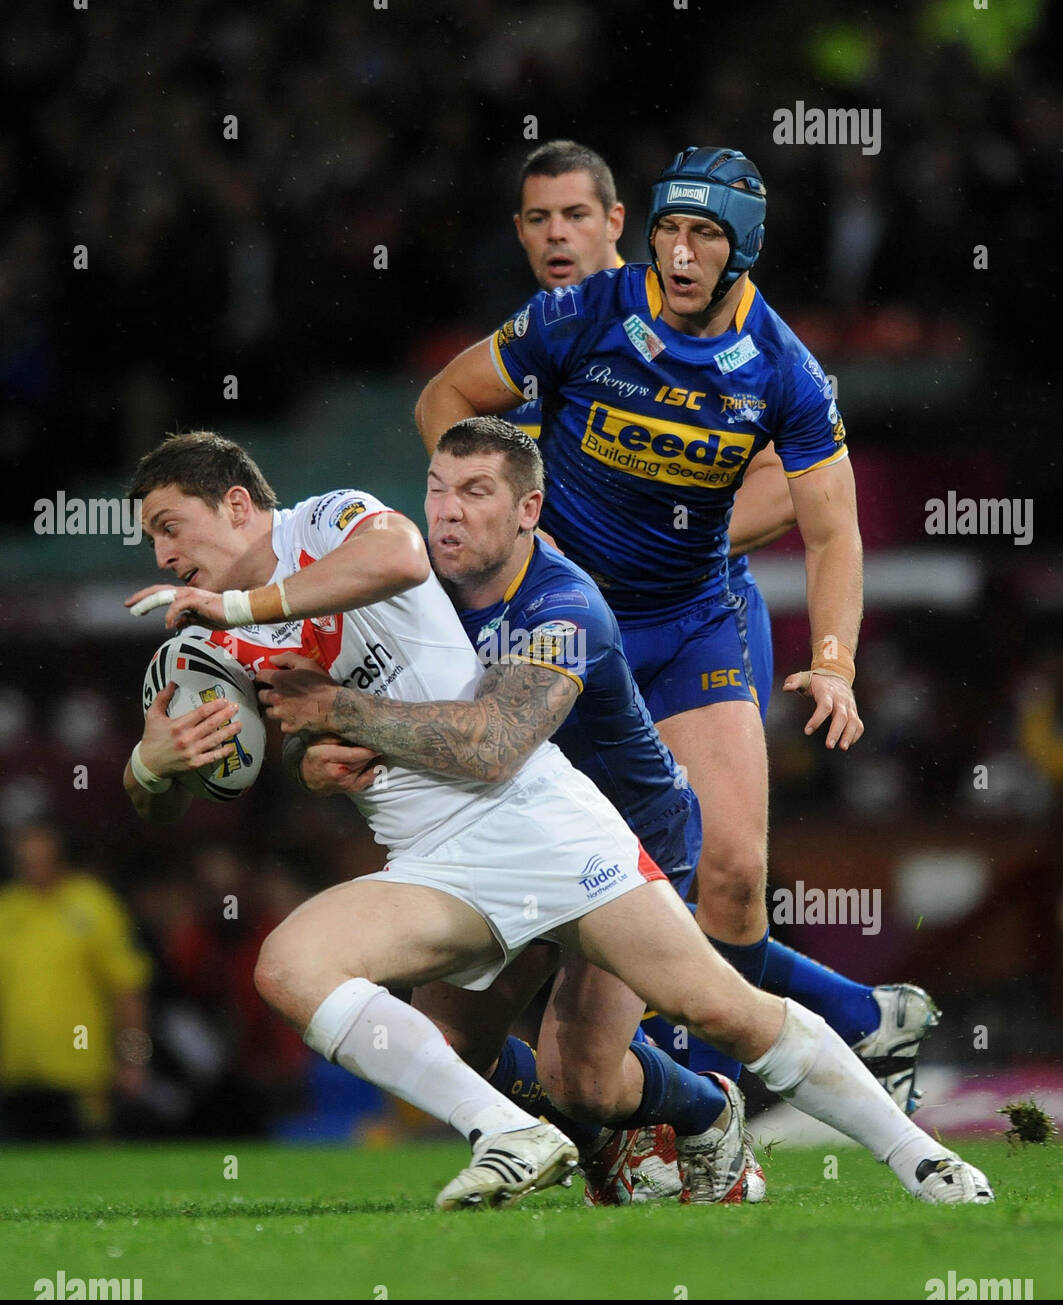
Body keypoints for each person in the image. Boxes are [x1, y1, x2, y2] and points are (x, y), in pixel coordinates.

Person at [121, 430, 993, 1209]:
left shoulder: (325, 525)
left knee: (714, 1013)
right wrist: (147, 768)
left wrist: (287, 662)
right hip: (429, 856)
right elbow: (199, 787)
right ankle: (510, 1135)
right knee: (292, 966)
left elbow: (398, 564)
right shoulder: (212, 650)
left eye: (168, 526)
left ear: (238, 504)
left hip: (545, 824)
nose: (162, 556)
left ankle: (919, 1160)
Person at [418, 140, 941, 1113]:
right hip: (565, 632)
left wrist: (833, 663)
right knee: (473, 1004)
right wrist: (474, 515)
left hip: (690, 622)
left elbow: (830, 526)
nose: (683, 253)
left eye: (704, 234)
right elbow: (444, 397)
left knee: (731, 877)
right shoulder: (582, 315)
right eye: (672, 231)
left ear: (739, 248)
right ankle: (816, 1038)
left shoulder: (784, 369)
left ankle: (701, 1101)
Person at [0, 820, 150, 1139]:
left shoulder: (92, 903)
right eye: (27, 861)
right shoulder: (7, 908)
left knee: (87, 1172)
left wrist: (133, 1059)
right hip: (16, 1074)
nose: (35, 869)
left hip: (80, 1075)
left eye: (43, 860)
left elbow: (127, 989)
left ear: (61, 859)